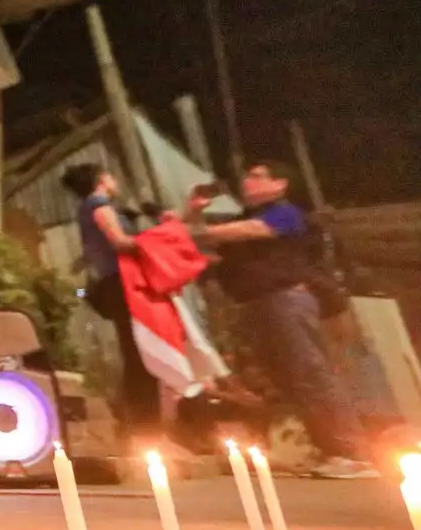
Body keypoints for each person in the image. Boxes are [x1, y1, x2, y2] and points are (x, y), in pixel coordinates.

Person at [186, 160, 377, 479]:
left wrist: (190, 231)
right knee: (288, 378)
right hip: (257, 304)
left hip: (284, 299)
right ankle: (329, 450)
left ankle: (351, 453)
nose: (248, 180)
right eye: (247, 176)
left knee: (309, 372)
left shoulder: (285, 213)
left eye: (258, 176)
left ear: (280, 185)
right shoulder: (245, 217)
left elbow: (240, 232)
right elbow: (209, 241)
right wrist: (194, 210)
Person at [62, 164, 162, 444]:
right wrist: (157, 242)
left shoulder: (89, 209)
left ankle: (140, 428)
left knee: (136, 353)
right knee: (140, 355)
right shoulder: (100, 206)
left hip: (114, 285)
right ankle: (146, 429)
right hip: (123, 283)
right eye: (111, 175)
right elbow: (120, 242)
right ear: (101, 180)